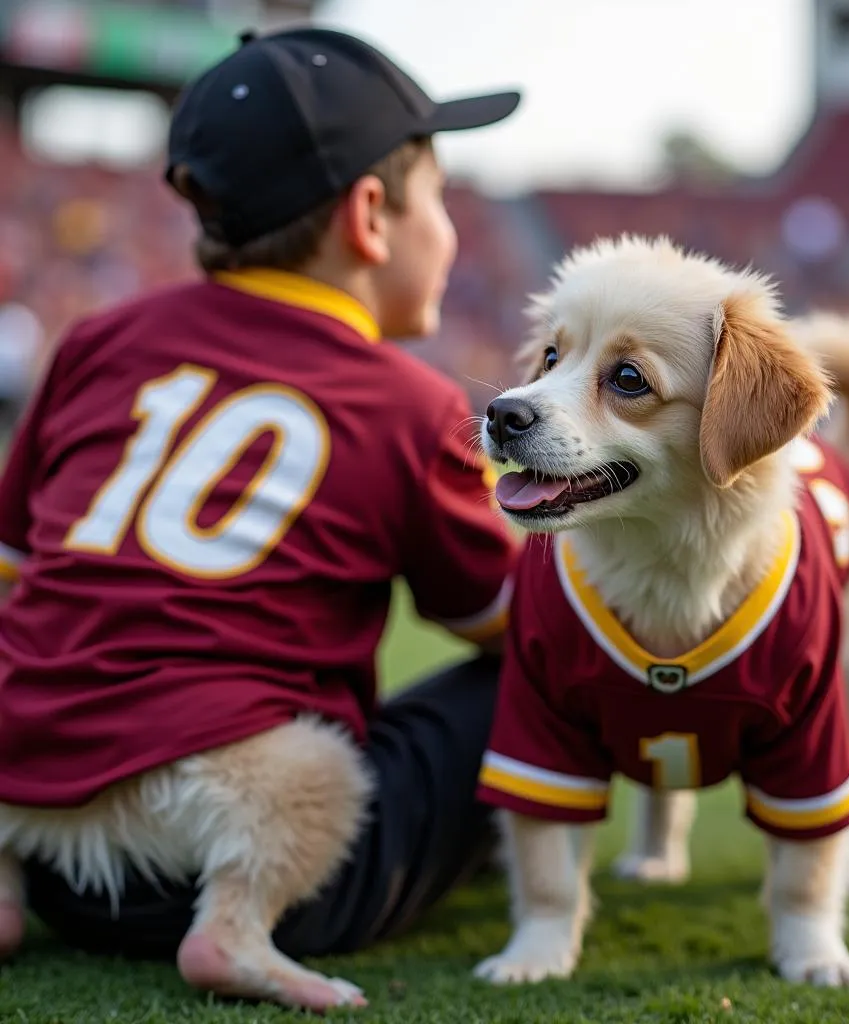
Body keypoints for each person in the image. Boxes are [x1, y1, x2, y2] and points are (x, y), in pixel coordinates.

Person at [0, 25, 521, 1002]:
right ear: (371, 216)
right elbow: (503, 617)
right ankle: (242, 931)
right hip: (243, 842)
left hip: (40, 817)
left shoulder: (98, 339)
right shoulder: (408, 402)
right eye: (440, 197)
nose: (451, 230)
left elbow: (13, 564)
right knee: (527, 677)